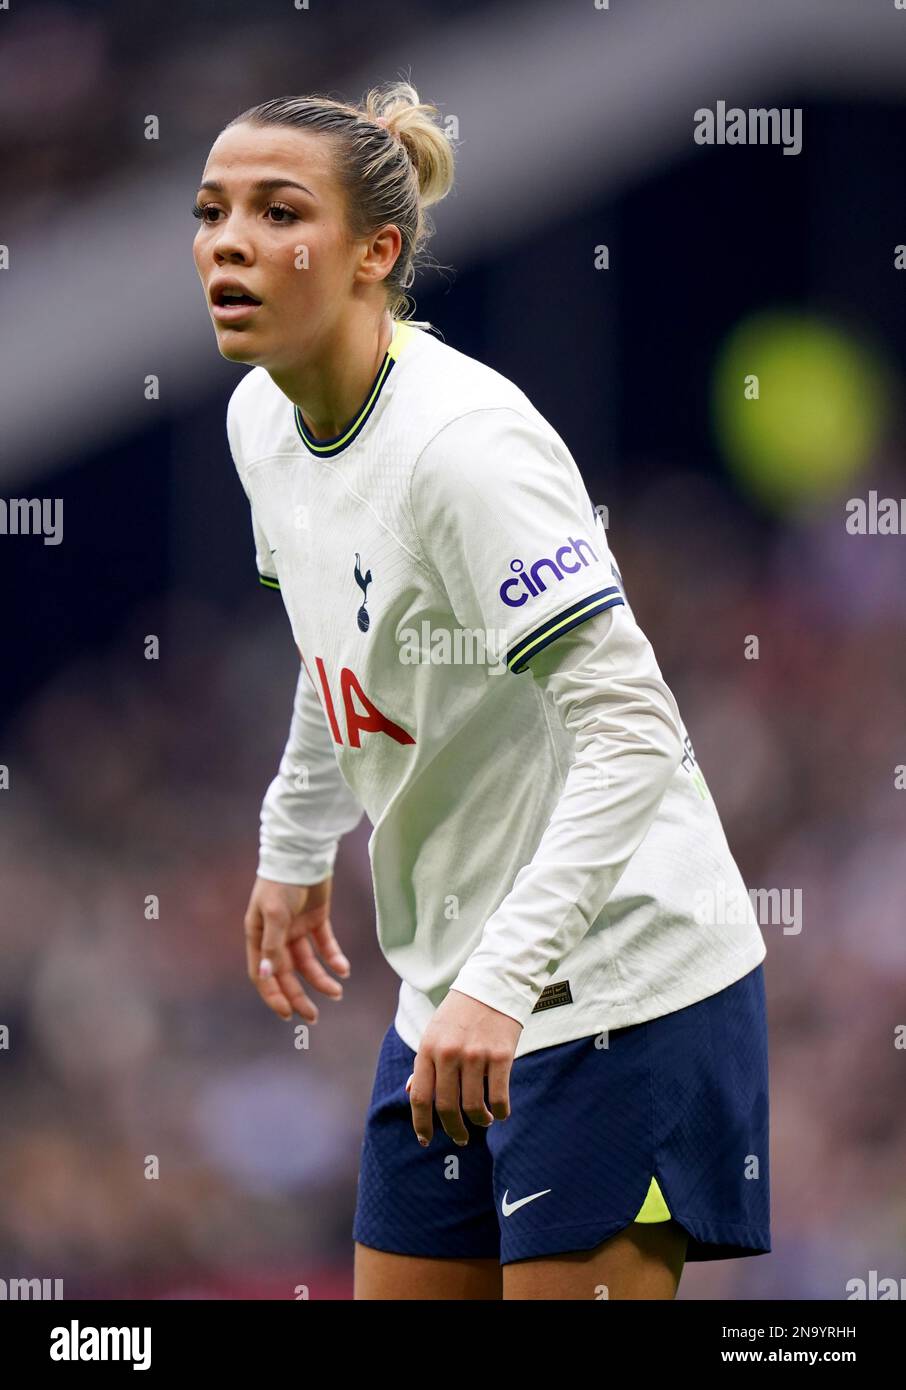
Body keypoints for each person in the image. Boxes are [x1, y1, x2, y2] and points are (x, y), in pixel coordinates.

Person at [192, 80, 770, 1301]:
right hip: (451, 994)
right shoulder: (262, 421)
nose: (229, 240)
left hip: (621, 986)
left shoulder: (464, 449)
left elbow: (636, 729)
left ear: (374, 253)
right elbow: (335, 634)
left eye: (276, 209)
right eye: (212, 210)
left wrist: (504, 980)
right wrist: (297, 837)